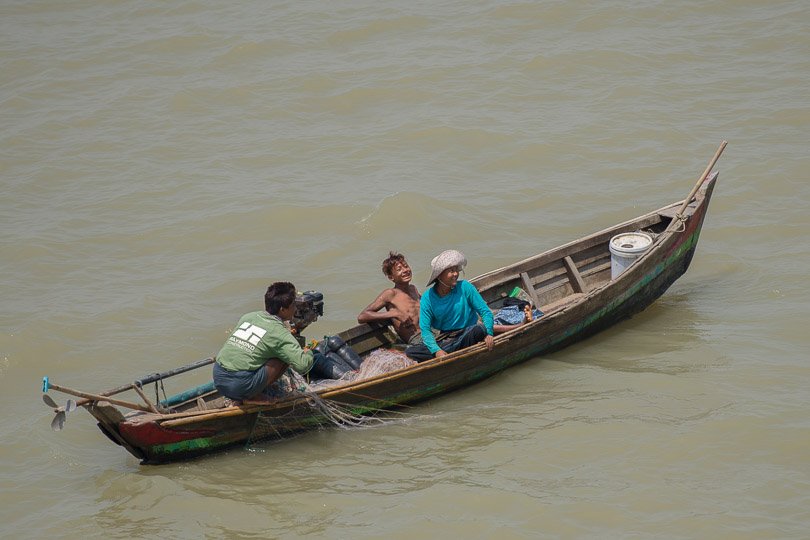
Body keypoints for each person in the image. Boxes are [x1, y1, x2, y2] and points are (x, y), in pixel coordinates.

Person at [213, 281, 321, 405]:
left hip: (218, 377)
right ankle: (252, 396)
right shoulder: (280, 334)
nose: (295, 308)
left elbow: (264, 339)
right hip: (240, 386)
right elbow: (303, 366)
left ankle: (250, 390)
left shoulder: (248, 317)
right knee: (283, 357)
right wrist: (308, 353)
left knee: (268, 350)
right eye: (293, 305)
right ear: (283, 309)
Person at [405, 249, 495, 362]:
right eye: (451, 271)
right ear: (439, 275)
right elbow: (425, 329)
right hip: (446, 339)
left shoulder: (465, 287)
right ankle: (447, 351)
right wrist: (436, 350)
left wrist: (488, 333)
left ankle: (448, 351)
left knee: (479, 329)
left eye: (456, 270)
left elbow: (485, 312)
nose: (456, 274)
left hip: (468, 332)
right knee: (410, 352)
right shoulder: (427, 298)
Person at [357, 252, 422, 345]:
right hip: (416, 339)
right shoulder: (390, 294)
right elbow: (362, 316)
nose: (405, 270)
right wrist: (393, 313)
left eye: (406, 266)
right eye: (399, 269)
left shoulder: (413, 289)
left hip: (430, 332)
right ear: (391, 277)